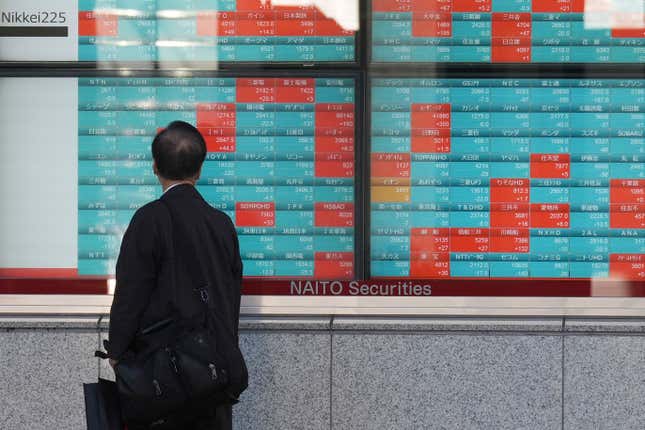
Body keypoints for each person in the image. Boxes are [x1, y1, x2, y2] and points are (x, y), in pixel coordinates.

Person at [107, 120, 244, 429]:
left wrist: (117, 352)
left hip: (165, 383)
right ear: (199, 170)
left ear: (155, 167)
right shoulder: (222, 224)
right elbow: (231, 297)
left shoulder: (148, 219)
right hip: (214, 378)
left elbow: (130, 295)